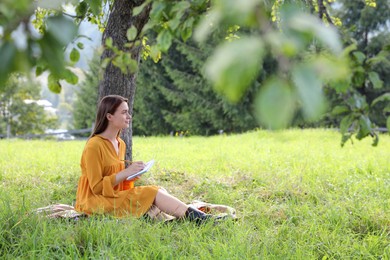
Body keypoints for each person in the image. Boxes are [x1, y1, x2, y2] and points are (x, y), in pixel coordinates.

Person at [75, 95, 214, 223]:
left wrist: (131, 176)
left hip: (111, 197)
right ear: (109, 116)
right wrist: (126, 172)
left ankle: (191, 217)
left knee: (159, 190)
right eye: (124, 112)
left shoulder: (120, 143)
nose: (129, 116)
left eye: (128, 112)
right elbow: (97, 187)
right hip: (93, 202)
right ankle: (201, 220)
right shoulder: (94, 145)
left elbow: (114, 182)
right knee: (152, 193)